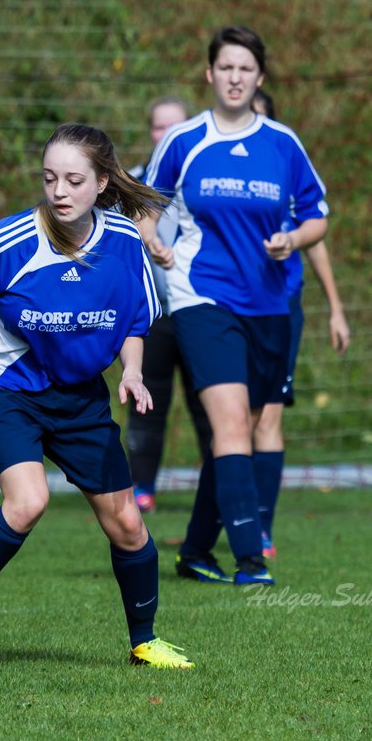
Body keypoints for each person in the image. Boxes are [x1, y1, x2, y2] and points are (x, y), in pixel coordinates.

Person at [0, 123, 193, 670]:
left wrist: (133, 373)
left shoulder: (123, 244)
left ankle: (144, 641)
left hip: (77, 396)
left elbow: (134, 322)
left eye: (73, 180)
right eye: (50, 179)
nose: (59, 191)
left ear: (102, 183)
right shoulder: (10, 239)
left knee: (128, 524)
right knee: (28, 500)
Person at [143, 26, 330, 586]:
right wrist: (152, 239)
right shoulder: (183, 140)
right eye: (225, 67)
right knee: (229, 424)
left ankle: (196, 549)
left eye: (245, 69)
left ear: (260, 79)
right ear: (210, 74)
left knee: (246, 428)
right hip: (202, 297)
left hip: (270, 304)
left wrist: (292, 240)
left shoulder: (283, 143)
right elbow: (145, 205)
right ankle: (251, 558)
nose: (234, 78)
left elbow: (316, 216)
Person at [250, 88, 350, 560]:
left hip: (280, 306)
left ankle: (260, 530)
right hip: (222, 309)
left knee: (268, 415)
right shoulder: (212, 179)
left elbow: (316, 238)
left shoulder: (287, 174)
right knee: (231, 419)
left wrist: (336, 308)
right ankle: (223, 521)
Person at [123, 97, 212, 513]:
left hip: (200, 312)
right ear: (150, 132)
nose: (166, 135)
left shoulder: (205, 184)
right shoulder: (132, 186)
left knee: (208, 403)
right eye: (159, 127)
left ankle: (218, 490)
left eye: (175, 126)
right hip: (153, 315)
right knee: (146, 401)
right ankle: (141, 488)